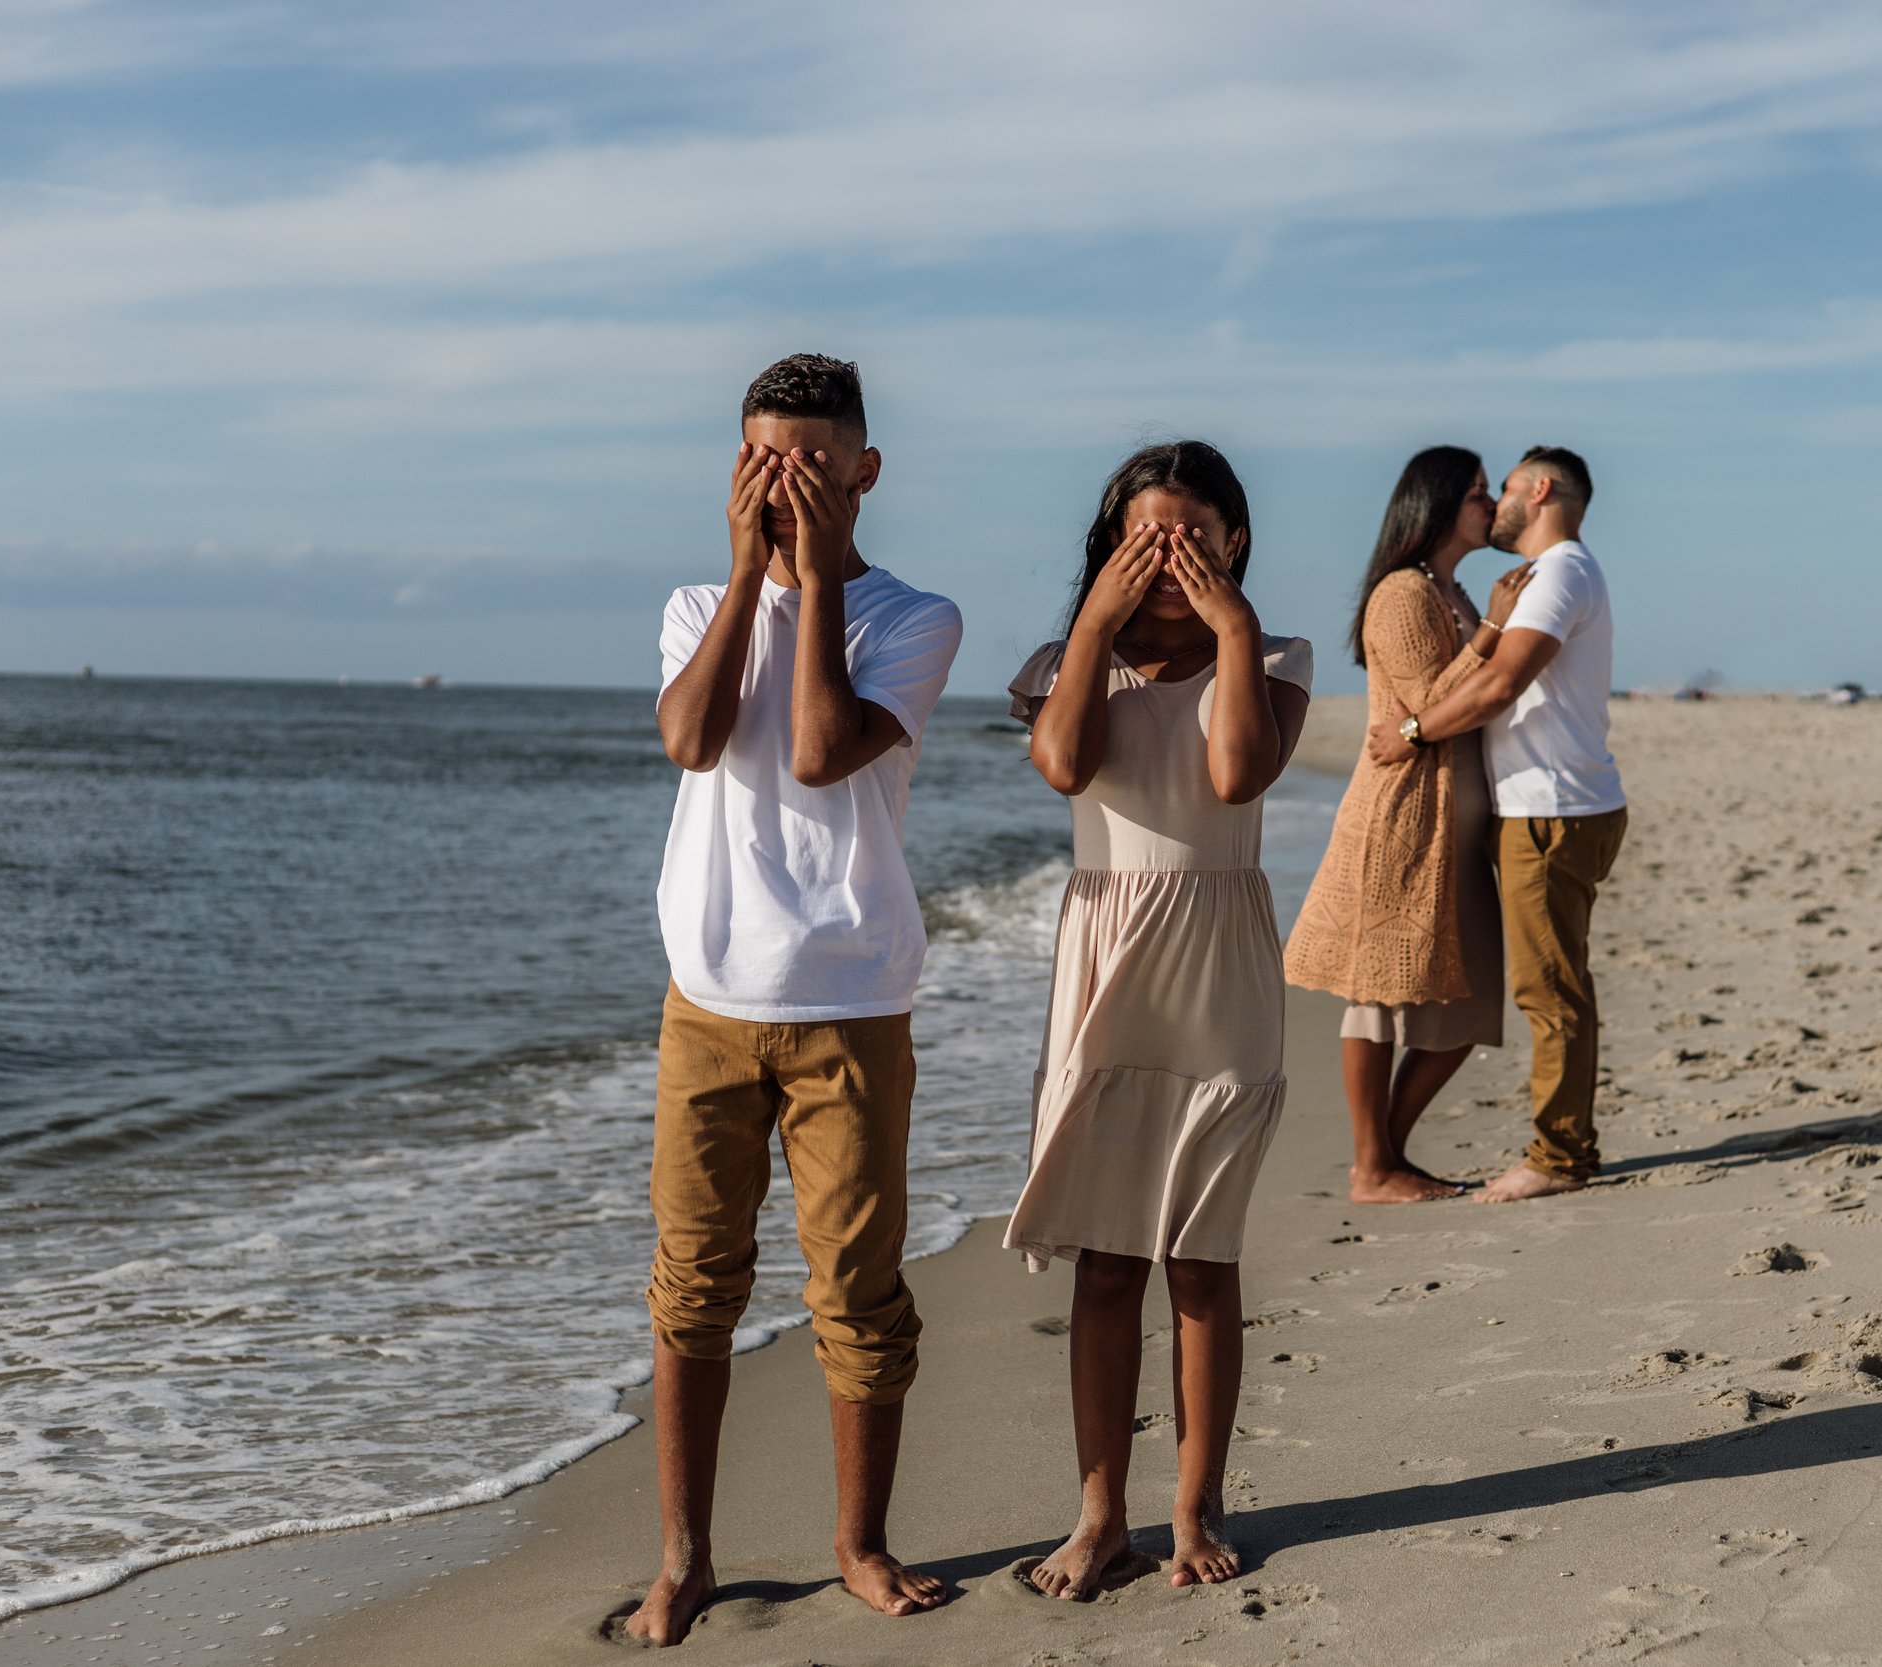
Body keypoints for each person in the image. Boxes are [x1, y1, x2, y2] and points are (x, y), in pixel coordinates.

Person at [630, 354, 963, 1644]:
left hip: (851, 998)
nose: (788, 484)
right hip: (704, 997)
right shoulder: (689, 603)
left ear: (864, 470)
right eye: (765, 461)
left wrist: (815, 577)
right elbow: (692, 737)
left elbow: (821, 751)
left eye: (814, 463)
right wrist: (746, 577)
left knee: (858, 1291)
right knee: (693, 1283)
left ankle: (859, 1544)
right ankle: (685, 1555)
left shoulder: (911, 617)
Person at [1002, 440, 1313, 1598]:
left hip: (1220, 961)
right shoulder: (1062, 659)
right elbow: (1061, 763)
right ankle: (1097, 1515)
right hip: (1106, 955)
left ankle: (1194, 1504)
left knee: (1200, 1255)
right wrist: (1093, 627)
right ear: (1109, 547)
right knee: (1102, 1260)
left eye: (1193, 534)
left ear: (1235, 540)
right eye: (1147, 538)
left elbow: (1235, 777)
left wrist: (1231, 631)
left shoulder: (1273, 653)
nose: (1171, 557)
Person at [1365, 447, 1627, 1204]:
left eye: (1504, 488)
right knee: (1556, 985)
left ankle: (1560, 1156)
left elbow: (1501, 683)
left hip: (1551, 811)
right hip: (1555, 805)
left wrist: (1412, 732)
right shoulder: (1558, 574)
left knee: (1550, 991)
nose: (1496, 502)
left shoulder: (1561, 571)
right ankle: (1562, 1145)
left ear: (1539, 489)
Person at [1285, 447, 1528, 1202]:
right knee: (1379, 996)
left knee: (1471, 1000)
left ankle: (1385, 1155)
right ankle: (1372, 1165)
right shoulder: (1401, 592)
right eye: (1480, 494)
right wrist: (1492, 629)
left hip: (1457, 824)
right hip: (1400, 819)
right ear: (1439, 504)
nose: (1491, 506)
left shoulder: (1451, 590)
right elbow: (1431, 701)